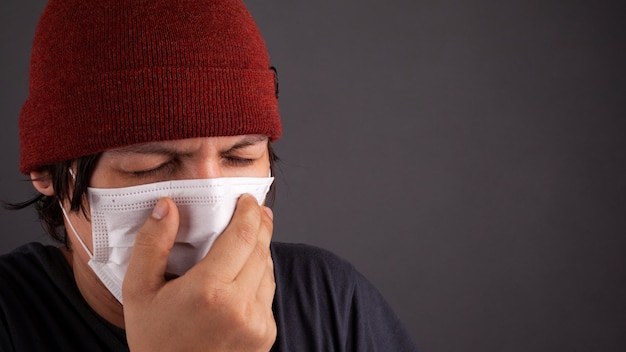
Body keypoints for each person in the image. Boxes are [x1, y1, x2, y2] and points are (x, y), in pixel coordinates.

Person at [0, 0, 418, 351]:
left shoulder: (329, 302)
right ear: (49, 173)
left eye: (240, 156)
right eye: (154, 167)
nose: (209, 209)